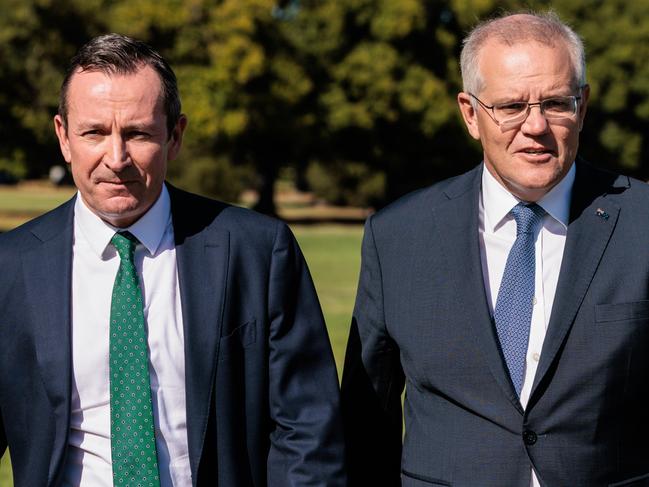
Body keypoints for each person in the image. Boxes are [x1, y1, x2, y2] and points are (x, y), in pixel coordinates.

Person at [0, 33, 346, 487]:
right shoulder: (11, 266)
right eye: (94, 133)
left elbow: (308, 433)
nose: (116, 157)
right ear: (64, 137)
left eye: (138, 133)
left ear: (175, 136)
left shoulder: (257, 252)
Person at [342, 11, 649, 487]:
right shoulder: (398, 235)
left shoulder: (642, 222)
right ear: (470, 113)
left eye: (555, 103)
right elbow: (365, 423)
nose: (536, 126)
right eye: (510, 107)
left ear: (582, 107)